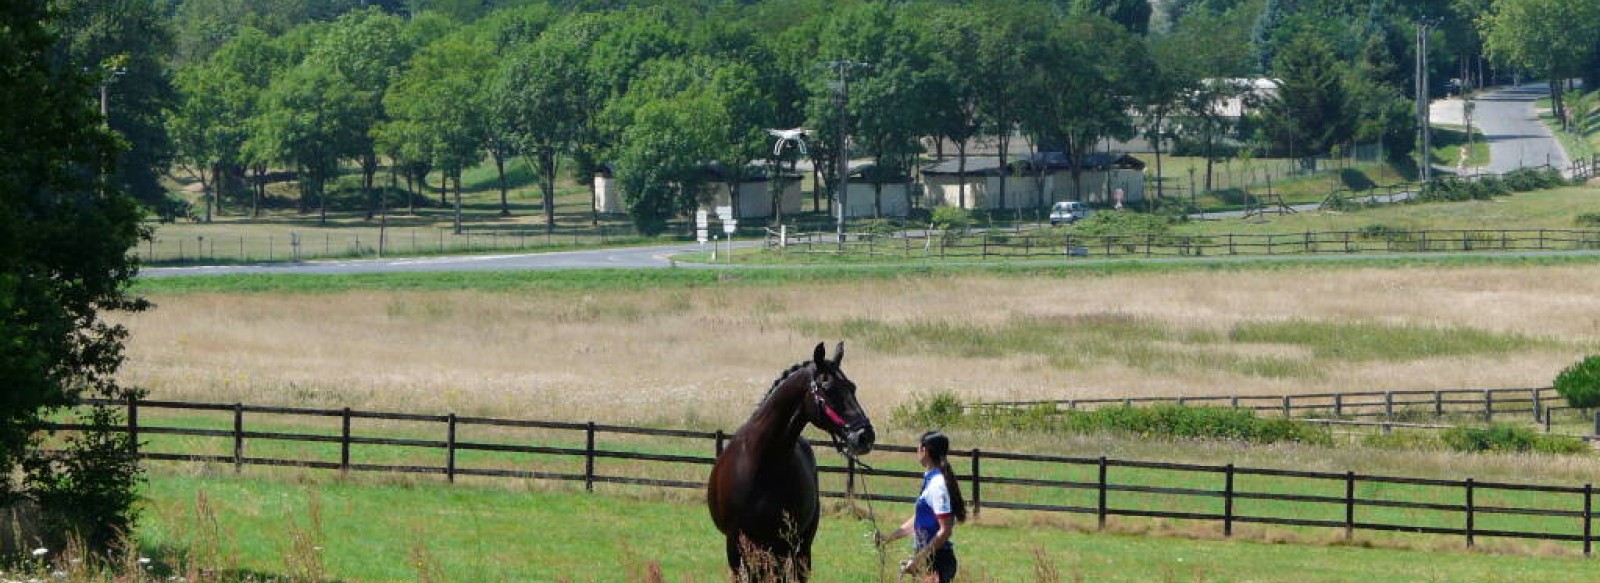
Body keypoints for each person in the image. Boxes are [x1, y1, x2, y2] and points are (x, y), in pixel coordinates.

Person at [877, 431, 967, 582]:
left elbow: (945, 530)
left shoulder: (938, 485)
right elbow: (919, 520)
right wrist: (888, 538)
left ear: (924, 450)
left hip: (937, 560)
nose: (916, 451)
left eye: (918, 447)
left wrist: (918, 559)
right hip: (928, 557)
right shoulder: (932, 481)